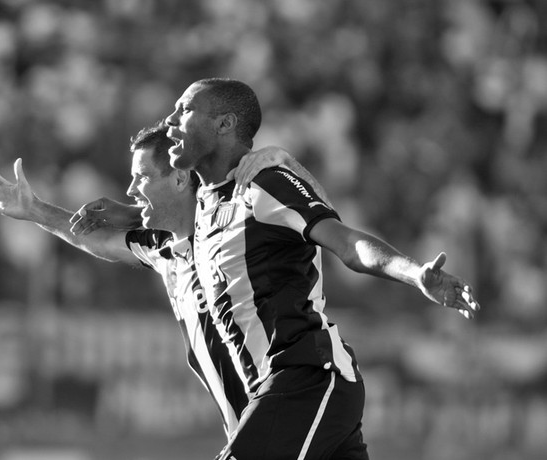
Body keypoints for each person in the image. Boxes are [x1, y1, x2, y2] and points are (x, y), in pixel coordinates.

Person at [161, 77, 480, 460]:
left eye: (185, 110)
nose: (170, 121)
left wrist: (414, 274)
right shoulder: (205, 204)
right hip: (283, 389)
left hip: (307, 378)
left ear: (225, 124)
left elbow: (346, 242)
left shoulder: (265, 186)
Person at [0, 121, 313, 437]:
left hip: (287, 416)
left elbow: (323, 223)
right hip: (255, 429)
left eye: (142, 177)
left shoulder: (241, 230)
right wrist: (33, 210)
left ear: (180, 179)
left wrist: (289, 165)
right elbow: (99, 242)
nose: (131, 189)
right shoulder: (163, 248)